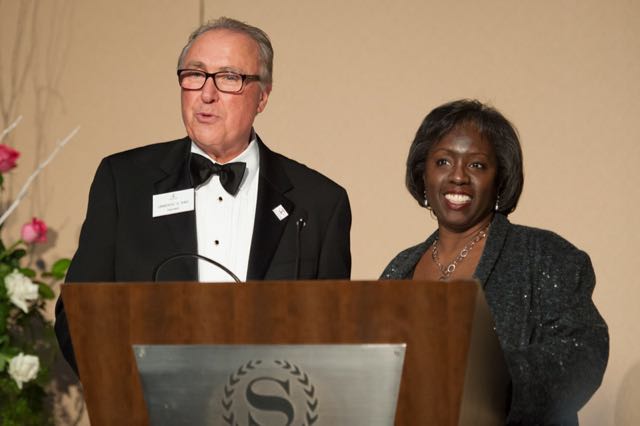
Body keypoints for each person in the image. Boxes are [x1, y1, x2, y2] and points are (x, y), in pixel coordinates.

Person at [55, 17, 351, 374]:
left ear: (262, 96)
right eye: (195, 74)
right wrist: (127, 391)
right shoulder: (124, 182)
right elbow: (78, 314)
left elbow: (333, 336)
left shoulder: (319, 203)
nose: (206, 94)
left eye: (229, 78)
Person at [380, 99, 608, 424]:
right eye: (443, 161)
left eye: (476, 165)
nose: (458, 176)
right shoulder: (400, 267)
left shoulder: (545, 255)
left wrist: (489, 377)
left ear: (500, 178)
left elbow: (583, 353)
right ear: (423, 173)